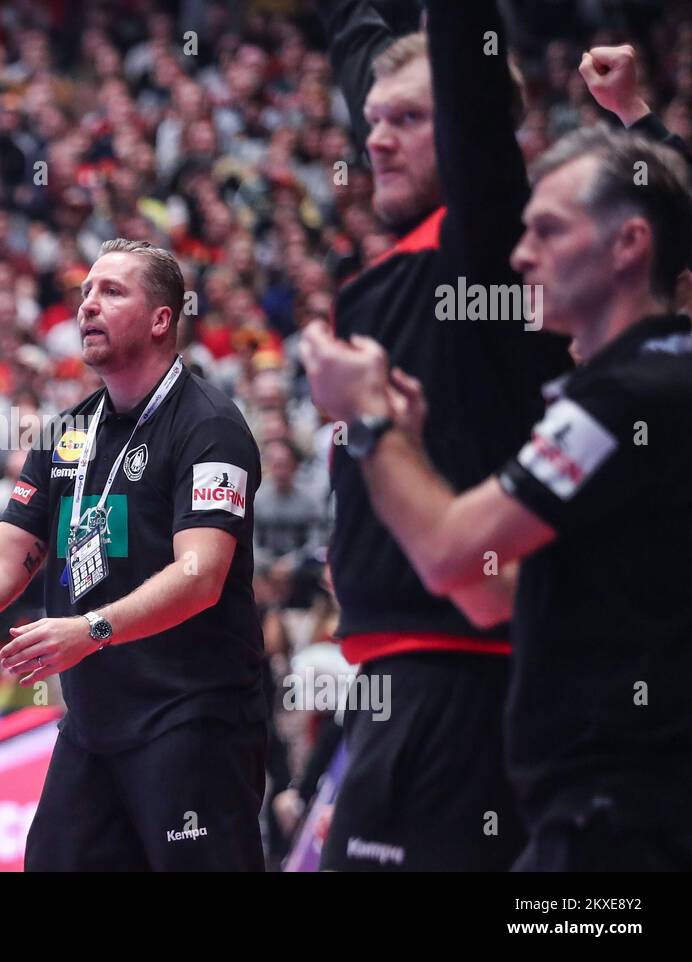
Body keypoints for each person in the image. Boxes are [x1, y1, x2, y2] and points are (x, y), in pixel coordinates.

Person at [301, 126, 692, 870]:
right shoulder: (637, 385)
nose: (519, 255)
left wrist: (370, 422)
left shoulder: (631, 396)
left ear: (629, 245)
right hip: (593, 815)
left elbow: (453, 557)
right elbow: (495, 592)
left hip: (628, 823)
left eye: (547, 230)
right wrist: (408, 450)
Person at [311, 0, 573, 870]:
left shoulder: (488, 245)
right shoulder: (393, 268)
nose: (376, 138)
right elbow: (359, 44)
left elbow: (465, 76)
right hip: (394, 678)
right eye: (373, 120)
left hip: (467, 676)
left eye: (410, 121)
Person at [0, 239, 266, 871]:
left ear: (162, 318)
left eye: (112, 292)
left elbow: (202, 575)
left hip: (191, 721)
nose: (87, 306)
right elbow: (2, 565)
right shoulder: (66, 433)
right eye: (85, 293)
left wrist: (91, 629)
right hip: (93, 727)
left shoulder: (209, 425)